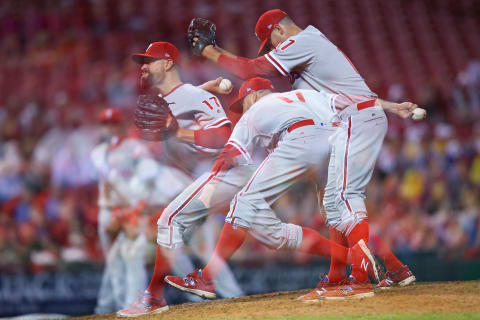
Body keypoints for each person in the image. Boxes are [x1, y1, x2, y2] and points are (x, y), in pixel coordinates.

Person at [188, 9, 416, 297]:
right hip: (351, 118)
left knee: (344, 199)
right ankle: (382, 271)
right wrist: (390, 106)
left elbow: (250, 69)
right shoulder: (304, 71)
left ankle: (358, 279)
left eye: (271, 43)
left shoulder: (303, 42)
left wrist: (209, 51)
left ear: (280, 31)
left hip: (354, 121)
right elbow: (343, 97)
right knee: (335, 203)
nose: (273, 49)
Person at [164, 77, 417, 300]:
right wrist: (391, 106)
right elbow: (351, 101)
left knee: (243, 202)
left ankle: (207, 277)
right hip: (336, 137)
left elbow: (230, 154)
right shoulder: (305, 95)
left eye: (243, 104)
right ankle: (392, 267)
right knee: (339, 210)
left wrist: (209, 190)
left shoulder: (255, 110)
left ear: (252, 95)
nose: (243, 110)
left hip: (300, 139)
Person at [116, 41, 246, 317]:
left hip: (232, 168)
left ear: (167, 64)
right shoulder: (174, 99)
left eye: (149, 61)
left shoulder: (190, 96)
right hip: (212, 174)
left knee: (170, 220)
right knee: (269, 230)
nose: (143, 67)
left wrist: (178, 131)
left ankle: (153, 297)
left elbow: (225, 136)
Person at [91, 108, 191, 313]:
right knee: (130, 254)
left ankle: (199, 296)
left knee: (169, 255)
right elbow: (136, 203)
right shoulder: (130, 177)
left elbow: (173, 198)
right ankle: (129, 304)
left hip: (166, 222)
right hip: (147, 222)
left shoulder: (155, 172)